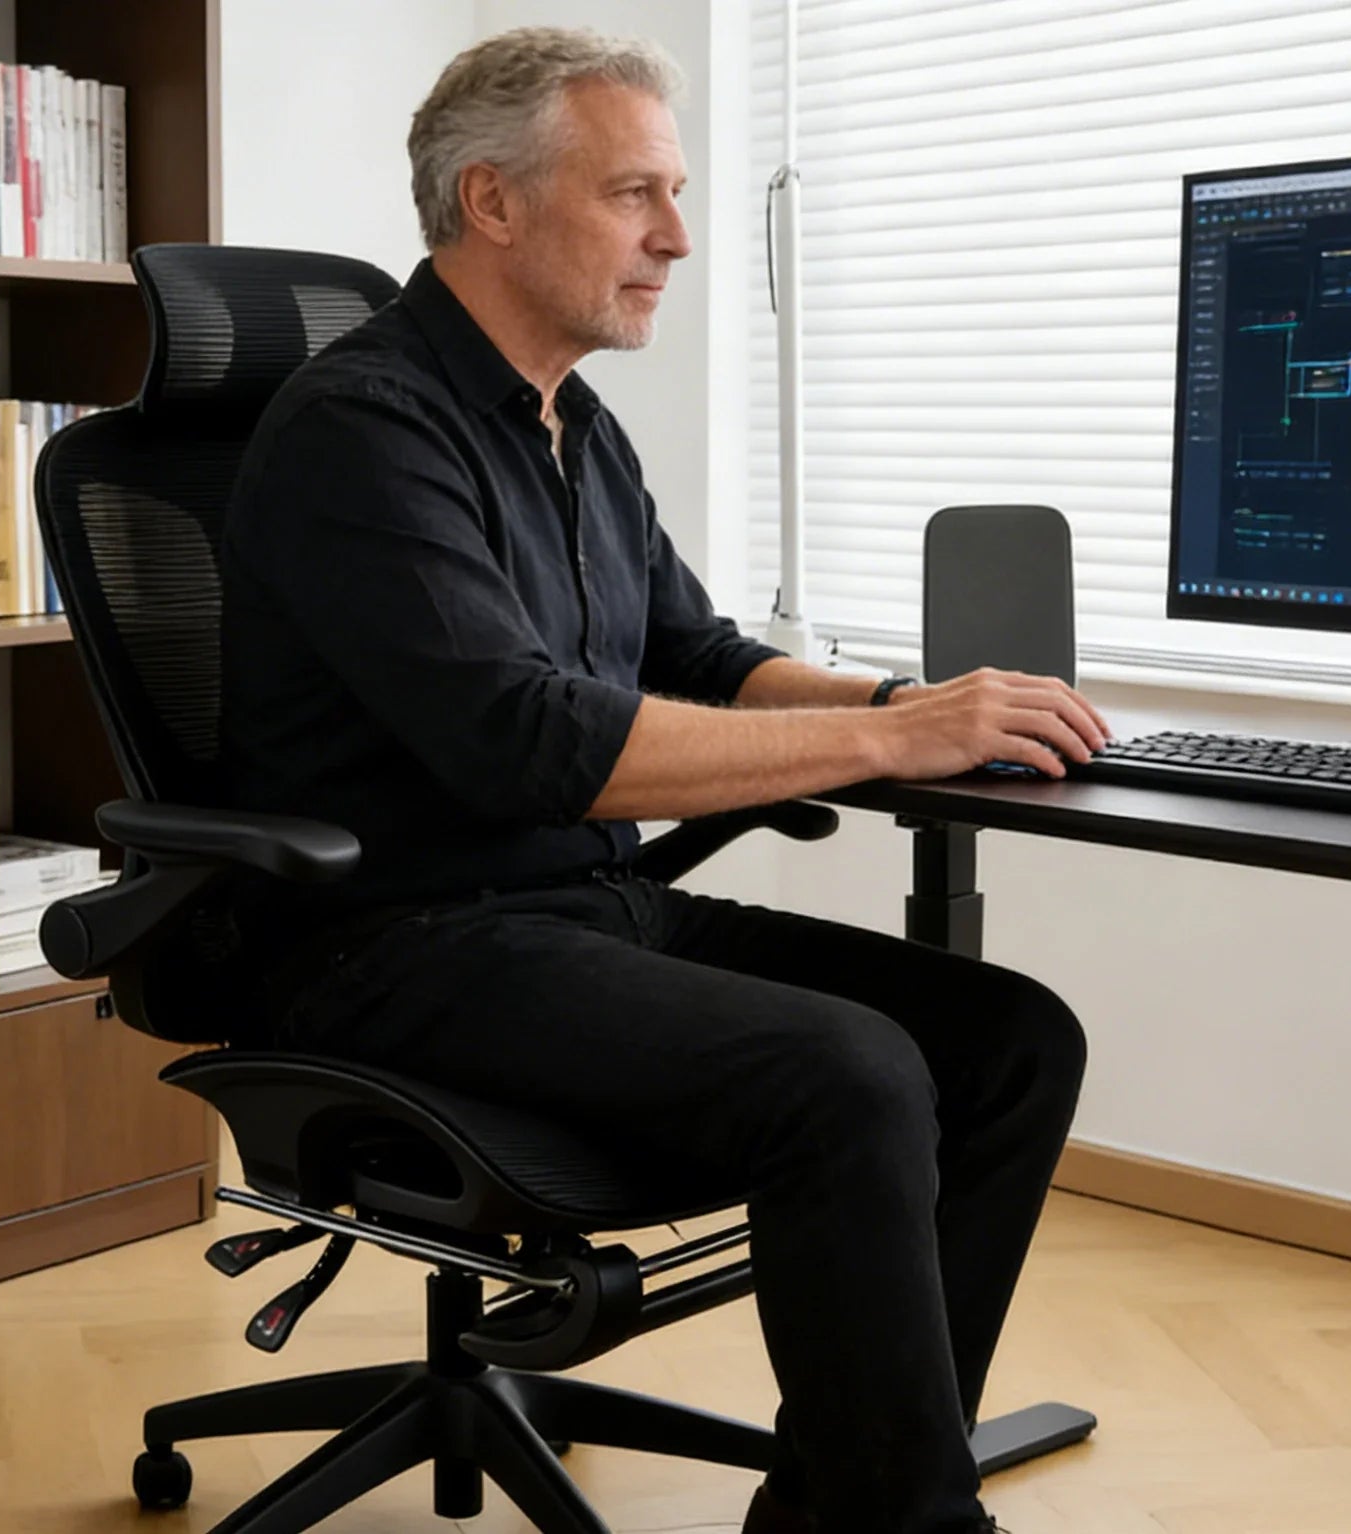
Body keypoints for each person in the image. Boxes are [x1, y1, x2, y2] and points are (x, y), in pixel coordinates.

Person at [217, 26, 1105, 1534]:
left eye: (675, 196)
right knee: (853, 1069)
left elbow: (692, 652)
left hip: (573, 909)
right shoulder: (361, 430)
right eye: (637, 194)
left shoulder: (571, 423)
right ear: (492, 203)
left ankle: (852, 1501)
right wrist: (896, 738)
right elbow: (531, 738)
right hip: (391, 943)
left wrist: (920, 703)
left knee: (1011, 1041)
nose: (678, 239)